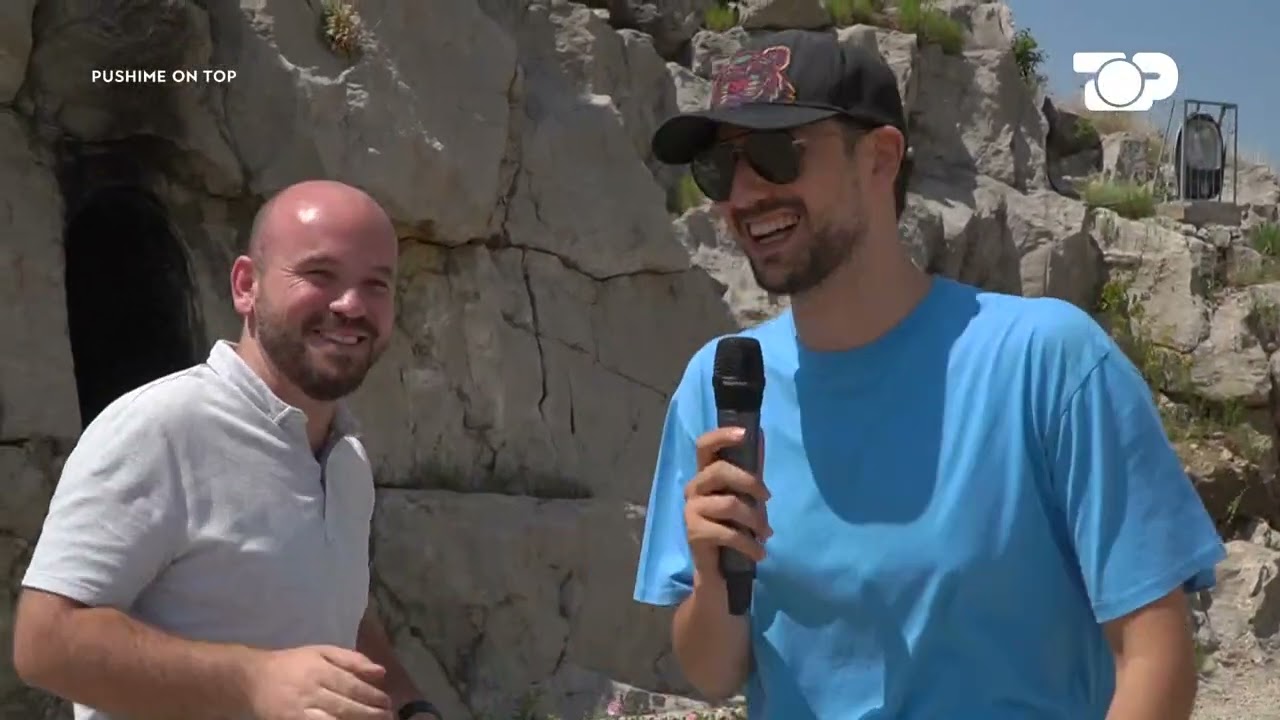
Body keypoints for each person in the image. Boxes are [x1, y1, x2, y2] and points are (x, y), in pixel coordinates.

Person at [632, 29, 1225, 720]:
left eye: (774, 153)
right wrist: (714, 576)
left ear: (880, 158)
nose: (741, 193)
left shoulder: (1047, 362)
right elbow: (712, 672)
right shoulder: (721, 387)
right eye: (716, 167)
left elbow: (1155, 657)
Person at [13, 180, 442, 720]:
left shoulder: (345, 460)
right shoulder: (162, 427)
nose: (351, 305)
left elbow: (333, 608)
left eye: (376, 284)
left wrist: (410, 706)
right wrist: (253, 680)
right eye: (319, 274)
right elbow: (45, 643)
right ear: (246, 286)